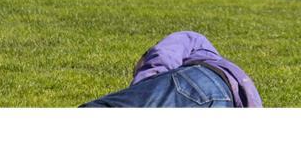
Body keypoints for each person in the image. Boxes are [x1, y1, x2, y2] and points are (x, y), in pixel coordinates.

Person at [82, 31, 262, 108]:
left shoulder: (197, 42)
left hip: (202, 82)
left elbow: (162, 57)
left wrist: (142, 88)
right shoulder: (239, 81)